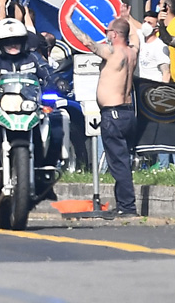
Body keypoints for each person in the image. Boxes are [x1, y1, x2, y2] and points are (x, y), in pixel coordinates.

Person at [67, 16, 138, 217]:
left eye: (108, 31)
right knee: (122, 160)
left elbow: (87, 42)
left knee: (119, 164)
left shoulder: (113, 53)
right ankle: (123, 204)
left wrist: (68, 20)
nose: (106, 34)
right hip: (127, 113)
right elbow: (135, 36)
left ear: (114, 34)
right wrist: (127, 17)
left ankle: (128, 207)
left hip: (113, 114)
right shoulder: (133, 51)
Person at [136, 11, 170, 83]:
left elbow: (166, 73)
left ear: (156, 29)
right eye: (144, 22)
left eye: (149, 23)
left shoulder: (160, 46)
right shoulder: (141, 38)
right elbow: (134, 25)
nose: (145, 25)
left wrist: (162, 91)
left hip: (155, 89)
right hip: (143, 87)